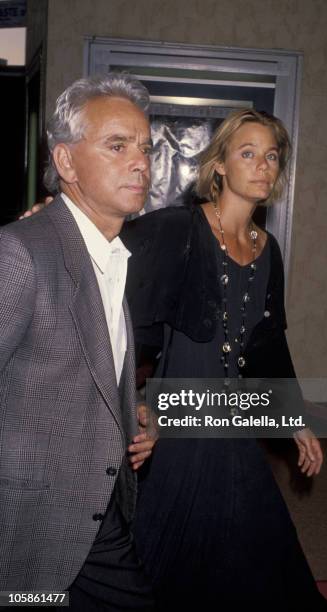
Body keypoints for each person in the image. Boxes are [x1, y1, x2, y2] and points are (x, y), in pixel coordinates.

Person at [122, 109, 327, 611]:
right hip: (177, 423)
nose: (263, 165)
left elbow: (267, 344)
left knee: (262, 540)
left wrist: (296, 420)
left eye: (272, 156)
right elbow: (116, 309)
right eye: (247, 153)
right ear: (218, 166)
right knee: (161, 556)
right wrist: (137, 400)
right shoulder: (177, 229)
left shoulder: (268, 248)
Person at [0, 73, 156, 611]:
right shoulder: (21, 252)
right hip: (28, 523)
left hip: (96, 510)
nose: (141, 161)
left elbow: (77, 364)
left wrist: (127, 412)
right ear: (65, 163)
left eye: (144, 147)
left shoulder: (112, 254)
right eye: (118, 146)